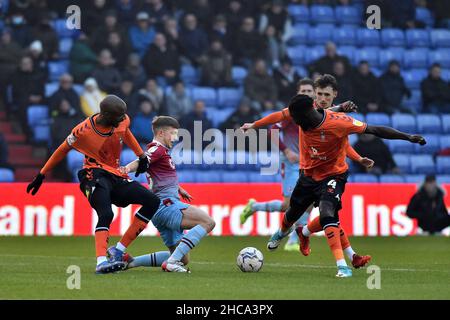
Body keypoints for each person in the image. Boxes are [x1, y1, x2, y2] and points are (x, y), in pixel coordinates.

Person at [241, 94, 426, 277]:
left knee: (328, 212)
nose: (294, 123)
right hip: (308, 175)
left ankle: (342, 266)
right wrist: (254, 125)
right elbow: (280, 116)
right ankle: (284, 233)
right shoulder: (303, 112)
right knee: (292, 213)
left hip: (334, 175)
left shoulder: (339, 123)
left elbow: (375, 130)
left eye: (296, 120)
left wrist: (408, 137)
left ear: (305, 116)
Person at [241, 75, 373, 258]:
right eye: (304, 92)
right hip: (295, 163)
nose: (315, 97)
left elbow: (342, 144)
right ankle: (260, 210)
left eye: (310, 92)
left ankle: (300, 238)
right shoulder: (294, 114)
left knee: (319, 209)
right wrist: (285, 150)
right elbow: (273, 128)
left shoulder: (325, 115)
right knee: (292, 206)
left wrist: (358, 158)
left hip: (321, 169)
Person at [26, 95, 161, 274]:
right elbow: (62, 149)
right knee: (106, 214)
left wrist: (141, 156)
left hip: (115, 174)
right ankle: (101, 262)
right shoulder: (83, 131)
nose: (123, 119)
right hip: (93, 174)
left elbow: (125, 132)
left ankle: (118, 251)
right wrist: (42, 174)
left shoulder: (122, 120)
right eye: (119, 117)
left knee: (152, 201)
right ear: (105, 114)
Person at [116, 116, 216, 272]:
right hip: (167, 205)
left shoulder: (162, 152)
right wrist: (126, 169)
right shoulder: (157, 149)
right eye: (173, 133)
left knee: (183, 258)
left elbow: (159, 175)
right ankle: (171, 263)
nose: (175, 138)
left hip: (159, 210)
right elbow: (142, 161)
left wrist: (178, 188)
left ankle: (131, 262)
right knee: (208, 222)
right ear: (161, 133)